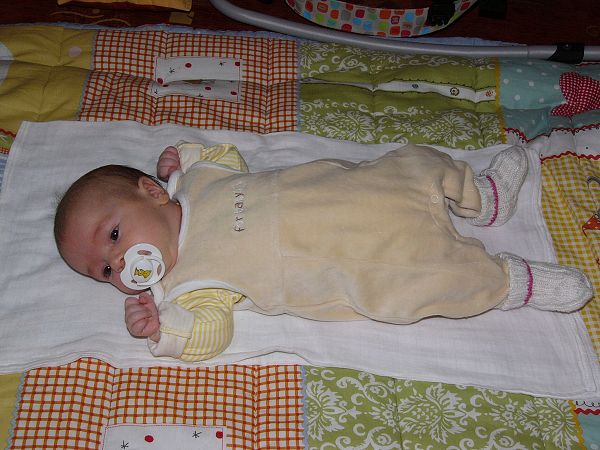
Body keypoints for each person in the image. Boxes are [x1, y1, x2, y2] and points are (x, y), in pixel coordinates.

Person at [54, 141, 594, 361]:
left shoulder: (197, 184)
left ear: (151, 192)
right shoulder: (188, 285)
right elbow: (211, 333)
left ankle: (484, 197)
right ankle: (512, 281)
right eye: (103, 271)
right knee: (425, 284)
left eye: (114, 237)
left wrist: (186, 159)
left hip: (359, 188)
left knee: (416, 162)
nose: (119, 266)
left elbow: (229, 158)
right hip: (364, 258)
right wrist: (165, 328)